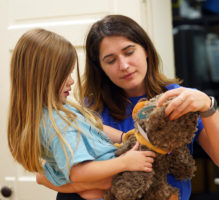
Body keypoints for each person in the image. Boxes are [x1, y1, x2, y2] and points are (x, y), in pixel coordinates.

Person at [38, 15, 219, 200]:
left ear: (146, 50)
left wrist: (208, 106)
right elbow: (45, 175)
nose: (124, 65)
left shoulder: (177, 98)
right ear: (100, 67)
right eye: (110, 60)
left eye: (129, 52)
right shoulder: (89, 111)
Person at [7, 28, 156, 200]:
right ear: (43, 78)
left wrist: (125, 137)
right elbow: (78, 173)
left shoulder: (63, 109)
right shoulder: (57, 124)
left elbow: (95, 127)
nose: (71, 81)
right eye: (65, 75)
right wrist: (124, 163)